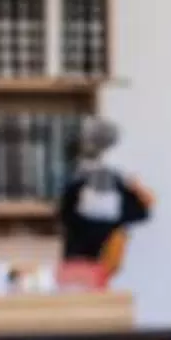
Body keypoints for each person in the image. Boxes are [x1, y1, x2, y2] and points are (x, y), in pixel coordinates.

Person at [58, 117, 153, 281]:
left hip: (89, 263)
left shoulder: (88, 182)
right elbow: (141, 213)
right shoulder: (111, 182)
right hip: (89, 263)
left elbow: (64, 213)